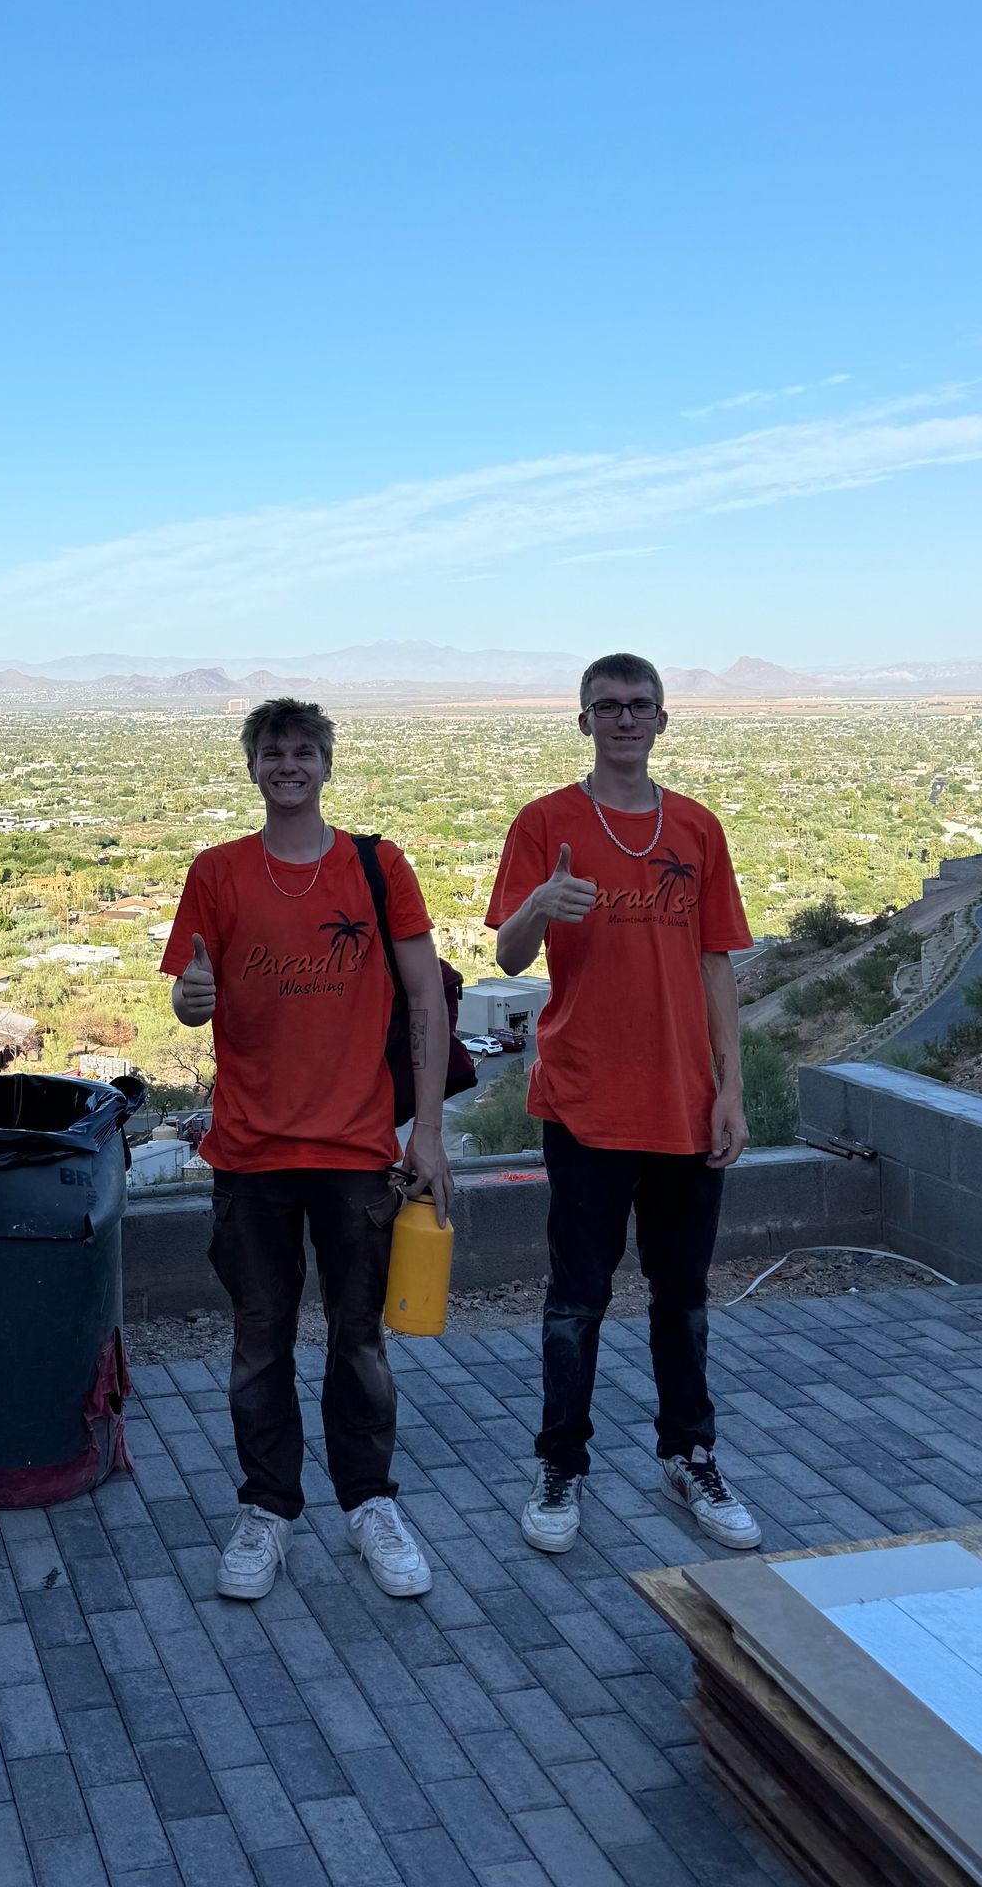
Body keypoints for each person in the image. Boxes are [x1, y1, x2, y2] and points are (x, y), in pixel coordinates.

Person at [163, 697, 455, 1603]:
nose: (287, 765)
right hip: (250, 1151)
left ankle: (369, 1502)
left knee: (359, 1340)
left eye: (303, 752)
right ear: (252, 768)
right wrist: (192, 1003)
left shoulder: (378, 867)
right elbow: (187, 998)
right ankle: (268, 1509)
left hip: (358, 1147)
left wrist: (431, 1133)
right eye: (271, 753)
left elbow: (425, 1001)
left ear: (327, 765)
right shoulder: (216, 873)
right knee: (260, 1341)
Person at [487, 652, 761, 1556]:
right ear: (583, 721)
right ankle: (561, 1463)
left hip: (685, 1106)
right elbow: (510, 960)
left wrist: (731, 1090)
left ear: (662, 719)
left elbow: (717, 963)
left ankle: (690, 1455)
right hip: (585, 1105)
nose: (625, 718)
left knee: (682, 1297)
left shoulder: (697, 828)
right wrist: (540, 903)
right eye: (607, 706)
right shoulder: (547, 823)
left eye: (640, 705)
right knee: (577, 1298)